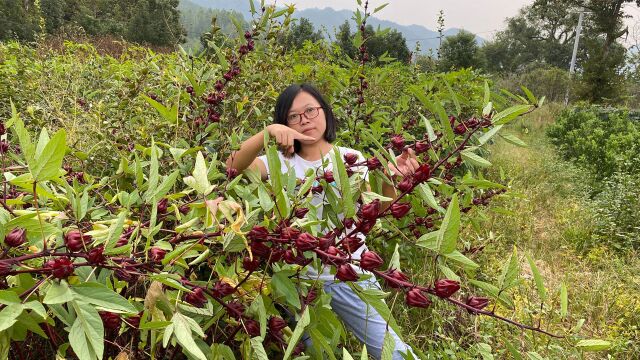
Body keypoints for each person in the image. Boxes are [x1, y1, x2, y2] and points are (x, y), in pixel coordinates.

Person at [225, 83, 419, 359]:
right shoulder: (277, 162)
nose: (304, 120)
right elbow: (232, 166)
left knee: (394, 354)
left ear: (325, 112)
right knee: (315, 355)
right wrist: (266, 133)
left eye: (310, 111)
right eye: (294, 116)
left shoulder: (351, 159)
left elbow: (377, 212)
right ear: (284, 123)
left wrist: (392, 179)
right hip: (301, 283)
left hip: (352, 273)